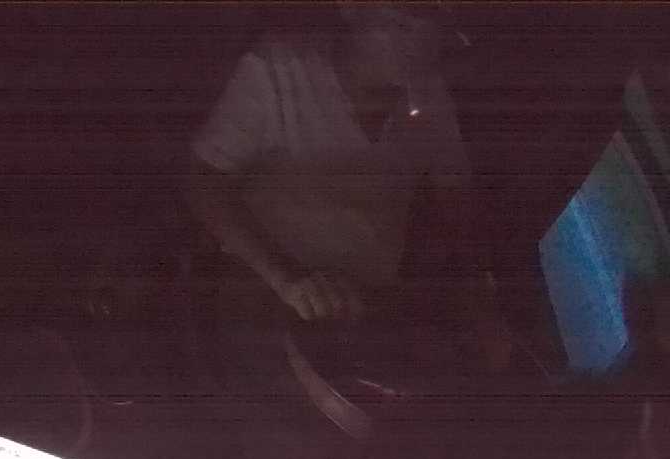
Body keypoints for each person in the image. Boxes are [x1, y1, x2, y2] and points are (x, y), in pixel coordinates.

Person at [183, 5, 507, 370]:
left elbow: (457, 201)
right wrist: (287, 279)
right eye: (401, 24)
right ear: (354, 10)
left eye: (432, 32)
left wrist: (480, 297)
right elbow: (203, 180)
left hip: (366, 311)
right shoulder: (277, 68)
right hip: (264, 289)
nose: (417, 43)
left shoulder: (431, 97)